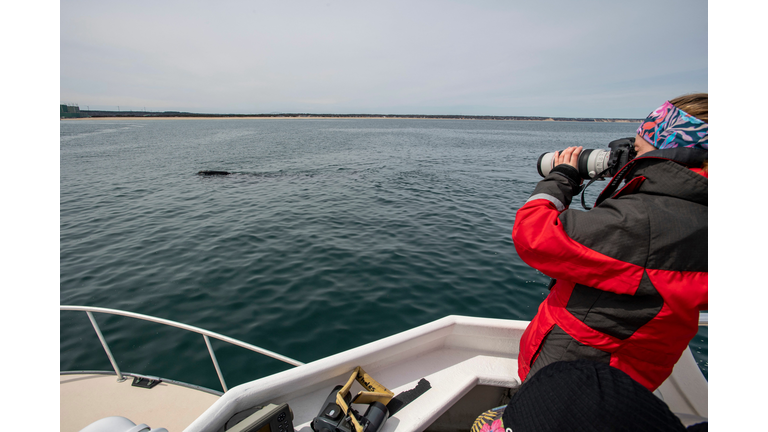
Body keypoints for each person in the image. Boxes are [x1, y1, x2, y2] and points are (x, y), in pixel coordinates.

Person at [511, 94, 708, 391]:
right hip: (633, 371)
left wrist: (561, 178)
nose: (632, 158)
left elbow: (534, 236)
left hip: (581, 375)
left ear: (672, 153)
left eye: (639, 150)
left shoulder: (644, 220)